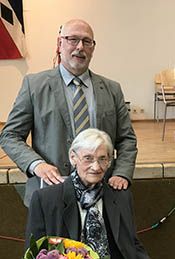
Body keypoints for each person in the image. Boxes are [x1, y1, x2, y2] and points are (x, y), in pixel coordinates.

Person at [25, 128, 164, 259]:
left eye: (103, 159)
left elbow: (132, 244)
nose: (96, 167)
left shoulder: (120, 197)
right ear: (73, 157)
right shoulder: (46, 199)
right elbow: (33, 257)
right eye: (88, 158)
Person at [0, 19, 137, 207]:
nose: (80, 47)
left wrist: (122, 173)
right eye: (73, 39)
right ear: (60, 44)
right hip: (50, 194)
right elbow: (10, 136)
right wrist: (36, 165)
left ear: (93, 48)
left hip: (102, 194)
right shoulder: (34, 86)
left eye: (87, 41)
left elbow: (127, 139)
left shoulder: (112, 89)